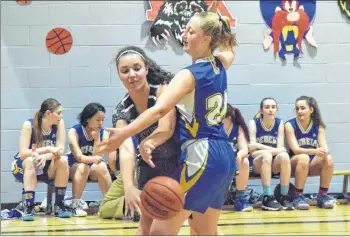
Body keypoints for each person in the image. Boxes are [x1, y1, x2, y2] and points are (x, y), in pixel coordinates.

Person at [97, 2, 237, 235]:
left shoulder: (188, 75)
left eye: (191, 31)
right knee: (205, 233)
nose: (183, 34)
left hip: (202, 154)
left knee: (159, 232)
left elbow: (160, 110)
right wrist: (216, 21)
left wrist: (124, 133)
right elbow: (230, 46)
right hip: (225, 155)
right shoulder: (222, 64)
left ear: (207, 40)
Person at [107, 45, 181, 234]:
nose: (132, 74)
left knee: (189, 226)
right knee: (144, 229)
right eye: (125, 71)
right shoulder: (121, 110)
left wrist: (148, 143)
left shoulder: (162, 90)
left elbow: (166, 128)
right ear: (119, 75)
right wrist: (129, 186)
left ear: (146, 68)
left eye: (137, 68)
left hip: (179, 163)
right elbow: (125, 149)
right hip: (148, 167)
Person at [11, 98, 72, 221]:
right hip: (24, 167)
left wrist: (45, 156)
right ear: (48, 113)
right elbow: (23, 153)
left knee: (63, 160)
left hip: (46, 165)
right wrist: (47, 149)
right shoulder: (29, 125)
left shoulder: (60, 123)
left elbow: (60, 150)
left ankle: (59, 205)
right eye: (59, 113)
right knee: (29, 161)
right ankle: (29, 206)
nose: (61, 116)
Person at [285, 95, 336, 210]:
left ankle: (322, 196)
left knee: (328, 159)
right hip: (292, 163)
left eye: (302, 108)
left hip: (310, 164)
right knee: (303, 157)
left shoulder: (319, 126)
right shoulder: (290, 125)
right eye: (297, 108)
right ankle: (297, 197)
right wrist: (314, 151)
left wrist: (324, 152)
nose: (299, 111)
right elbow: (295, 149)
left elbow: (324, 148)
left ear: (311, 110)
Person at [248, 97, 293, 211]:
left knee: (284, 156)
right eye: (267, 107)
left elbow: (281, 149)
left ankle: (283, 195)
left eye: (273, 107)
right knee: (267, 155)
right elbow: (253, 152)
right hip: (257, 163)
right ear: (261, 110)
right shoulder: (253, 123)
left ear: (276, 109)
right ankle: (267, 197)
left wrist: (260, 146)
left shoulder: (279, 123)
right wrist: (272, 150)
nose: (270, 110)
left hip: (273, 164)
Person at [67, 102, 112, 217]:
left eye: (102, 119)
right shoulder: (74, 131)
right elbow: (79, 157)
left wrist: (97, 139)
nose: (101, 123)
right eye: (98, 120)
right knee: (83, 166)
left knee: (102, 166)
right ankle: (75, 204)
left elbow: (99, 157)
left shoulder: (104, 132)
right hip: (74, 166)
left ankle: (110, 203)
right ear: (87, 119)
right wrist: (92, 158)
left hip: (91, 166)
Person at [98, 137, 139, 221]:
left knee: (104, 208)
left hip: (133, 171)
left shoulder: (126, 131)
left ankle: (135, 204)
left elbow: (112, 159)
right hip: (164, 172)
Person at [223, 103, 252, 212]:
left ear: (229, 117)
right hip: (218, 161)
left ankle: (240, 199)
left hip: (233, 162)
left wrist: (239, 155)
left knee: (244, 162)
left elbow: (244, 149)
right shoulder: (214, 127)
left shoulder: (237, 128)